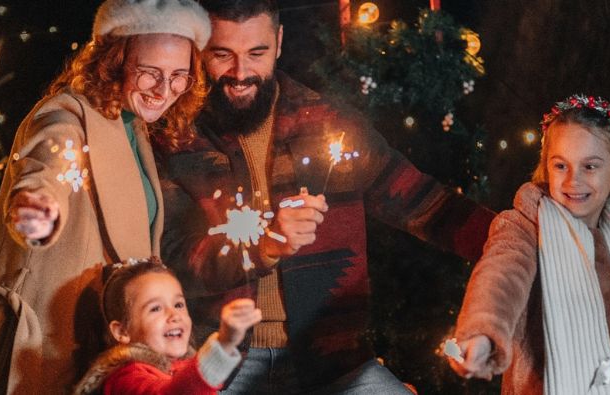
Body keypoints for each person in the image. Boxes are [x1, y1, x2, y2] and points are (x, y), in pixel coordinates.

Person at [158, 0, 496, 393]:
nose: (240, 73)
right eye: (222, 55)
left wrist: (526, 241)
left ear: (280, 42)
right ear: (199, 50)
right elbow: (176, 260)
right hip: (220, 360)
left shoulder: (326, 123)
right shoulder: (176, 139)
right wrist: (262, 246)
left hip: (330, 362)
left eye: (257, 53)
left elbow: (426, 204)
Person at [0, 0, 211, 393]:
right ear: (114, 61)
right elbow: (48, 166)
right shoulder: (65, 115)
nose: (165, 89)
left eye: (179, 75)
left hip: (103, 346)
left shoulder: (131, 125)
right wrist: (38, 206)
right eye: (149, 72)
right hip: (47, 348)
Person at [448, 94, 610, 393]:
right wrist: (482, 332)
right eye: (561, 166)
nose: (573, 181)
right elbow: (501, 276)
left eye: (590, 167)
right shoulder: (526, 226)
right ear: (546, 164)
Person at [73, 258, 261, 395]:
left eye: (179, 304)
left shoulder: (185, 366)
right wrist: (223, 344)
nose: (174, 315)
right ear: (122, 331)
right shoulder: (126, 378)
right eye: (155, 309)